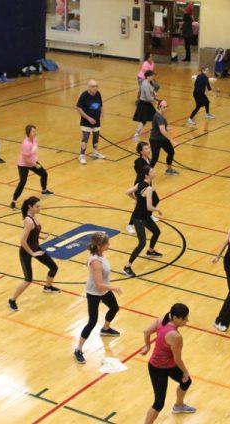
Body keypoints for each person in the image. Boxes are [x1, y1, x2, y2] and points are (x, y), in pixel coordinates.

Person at [141, 303, 195, 422]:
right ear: (175, 318)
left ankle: (179, 406)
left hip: (167, 365)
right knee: (159, 403)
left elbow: (146, 331)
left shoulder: (162, 319)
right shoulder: (175, 336)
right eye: (184, 318)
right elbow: (177, 359)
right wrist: (185, 372)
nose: (187, 321)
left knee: (186, 382)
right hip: (158, 369)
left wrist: (147, 346)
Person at [74, 232, 122, 364]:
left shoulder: (101, 255)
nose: (109, 245)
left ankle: (105, 329)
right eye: (107, 243)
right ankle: (78, 349)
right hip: (94, 293)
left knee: (114, 308)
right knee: (92, 321)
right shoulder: (95, 262)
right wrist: (114, 288)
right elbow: (100, 286)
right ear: (100, 246)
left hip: (103, 290)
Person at [8, 196, 60, 311]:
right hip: (26, 252)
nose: (39, 208)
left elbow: (33, 233)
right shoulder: (28, 220)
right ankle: (12, 300)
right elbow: (23, 241)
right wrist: (32, 253)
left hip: (35, 248)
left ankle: (48, 287)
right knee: (28, 279)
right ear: (30, 207)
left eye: (39, 206)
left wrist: (41, 236)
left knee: (53, 267)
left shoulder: (33, 217)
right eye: (37, 206)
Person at [123, 165, 163, 277]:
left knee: (157, 232)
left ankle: (150, 251)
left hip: (144, 216)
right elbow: (150, 207)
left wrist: (137, 199)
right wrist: (158, 210)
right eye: (152, 171)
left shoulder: (140, 184)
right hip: (139, 218)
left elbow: (127, 192)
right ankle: (127, 267)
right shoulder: (148, 188)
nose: (155, 172)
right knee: (142, 243)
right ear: (147, 174)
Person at [10, 124, 53, 208]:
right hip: (23, 165)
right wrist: (35, 165)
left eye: (35, 131)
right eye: (33, 131)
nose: (35, 132)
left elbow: (33, 151)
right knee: (22, 182)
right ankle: (13, 201)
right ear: (28, 133)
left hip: (33, 161)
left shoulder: (34, 139)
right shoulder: (26, 144)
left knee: (44, 174)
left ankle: (44, 190)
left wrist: (35, 161)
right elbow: (26, 160)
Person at [126, 141, 153, 236]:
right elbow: (141, 173)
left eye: (148, 148)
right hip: (141, 185)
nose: (148, 150)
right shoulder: (140, 161)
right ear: (141, 152)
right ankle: (130, 225)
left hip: (147, 184)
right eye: (146, 149)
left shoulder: (148, 159)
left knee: (152, 201)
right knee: (138, 207)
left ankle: (148, 217)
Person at [76, 80, 106, 165]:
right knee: (85, 138)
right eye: (93, 86)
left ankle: (95, 152)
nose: (95, 88)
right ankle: (82, 155)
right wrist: (88, 118)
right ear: (88, 87)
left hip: (96, 121)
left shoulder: (98, 94)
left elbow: (100, 105)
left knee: (96, 137)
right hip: (86, 121)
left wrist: (102, 113)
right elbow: (78, 108)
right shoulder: (84, 95)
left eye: (96, 86)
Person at [149, 100, 178, 175]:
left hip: (162, 139)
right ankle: (146, 173)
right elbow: (163, 131)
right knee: (155, 158)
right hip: (155, 140)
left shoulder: (158, 115)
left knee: (171, 152)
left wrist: (166, 128)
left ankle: (169, 170)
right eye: (164, 107)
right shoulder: (160, 117)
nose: (166, 108)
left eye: (166, 106)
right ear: (160, 107)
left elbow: (156, 127)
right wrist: (171, 140)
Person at [133, 70, 158, 138]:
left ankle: (156, 130)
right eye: (152, 76)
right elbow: (148, 97)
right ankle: (137, 133)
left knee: (155, 117)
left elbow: (151, 91)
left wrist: (154, 93)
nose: (153, 77)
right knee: (144, 120)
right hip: (144, 104)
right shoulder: (145, 85)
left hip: (147, 103)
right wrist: (154, 100)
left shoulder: (148, 82)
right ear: (148, 76)